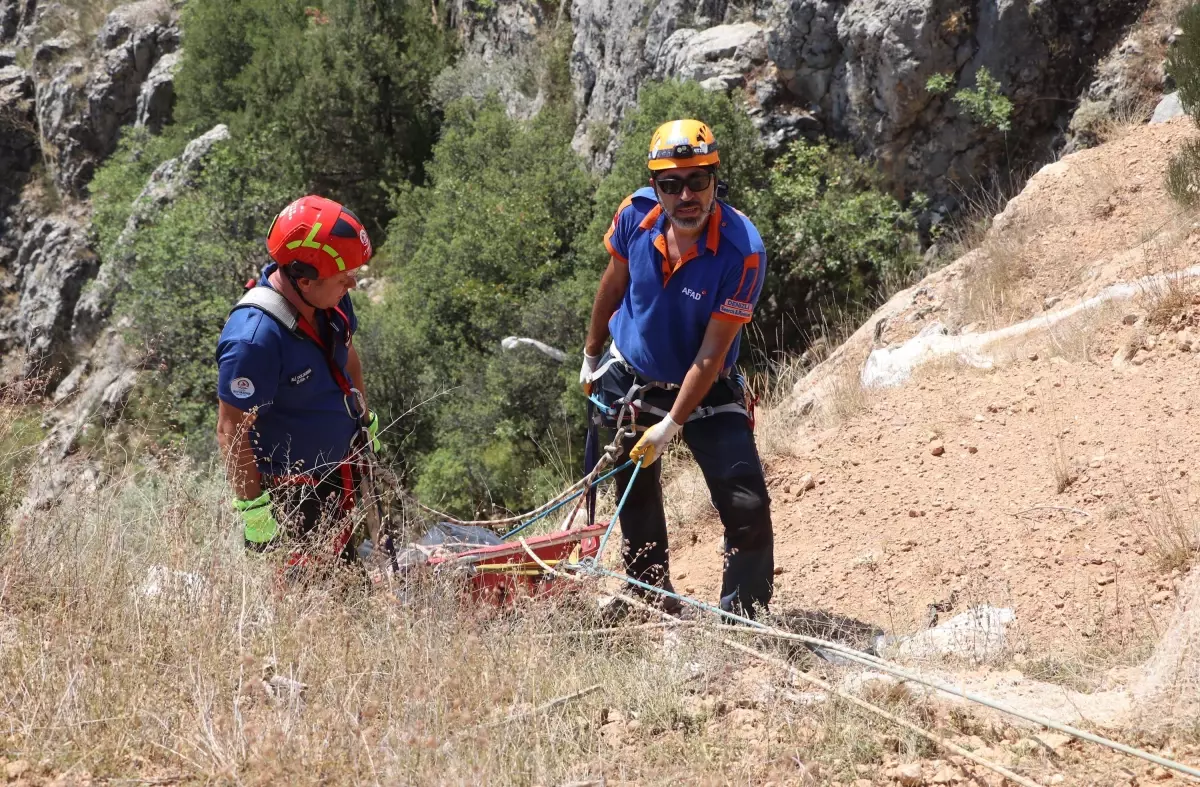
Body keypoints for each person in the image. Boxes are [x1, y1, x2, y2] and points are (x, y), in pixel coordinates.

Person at [581, 119, 773, 617]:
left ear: (715, 178)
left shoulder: (742, 252)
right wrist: (591, 353)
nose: (685, 195)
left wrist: (671, 423)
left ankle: (744, 617)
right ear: (655, 186)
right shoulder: (635, 216)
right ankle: (651, 603)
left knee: (745, 502)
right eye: (670, 184)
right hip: (633, 379)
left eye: (697, 181)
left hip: (706, 385)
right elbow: (613, 283)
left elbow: (712, 353)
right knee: (636, 500)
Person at [216, 194, 382, 570]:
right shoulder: (254, 341)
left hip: (338, 471)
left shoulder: (330, 301)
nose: (353, 284)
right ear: (304, 280)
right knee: (314, 598)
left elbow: (347, 356)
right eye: (344, 278)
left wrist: (363, 421)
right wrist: (255, 512)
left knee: (350, 572)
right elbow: (231, 430)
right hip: (292, 495)